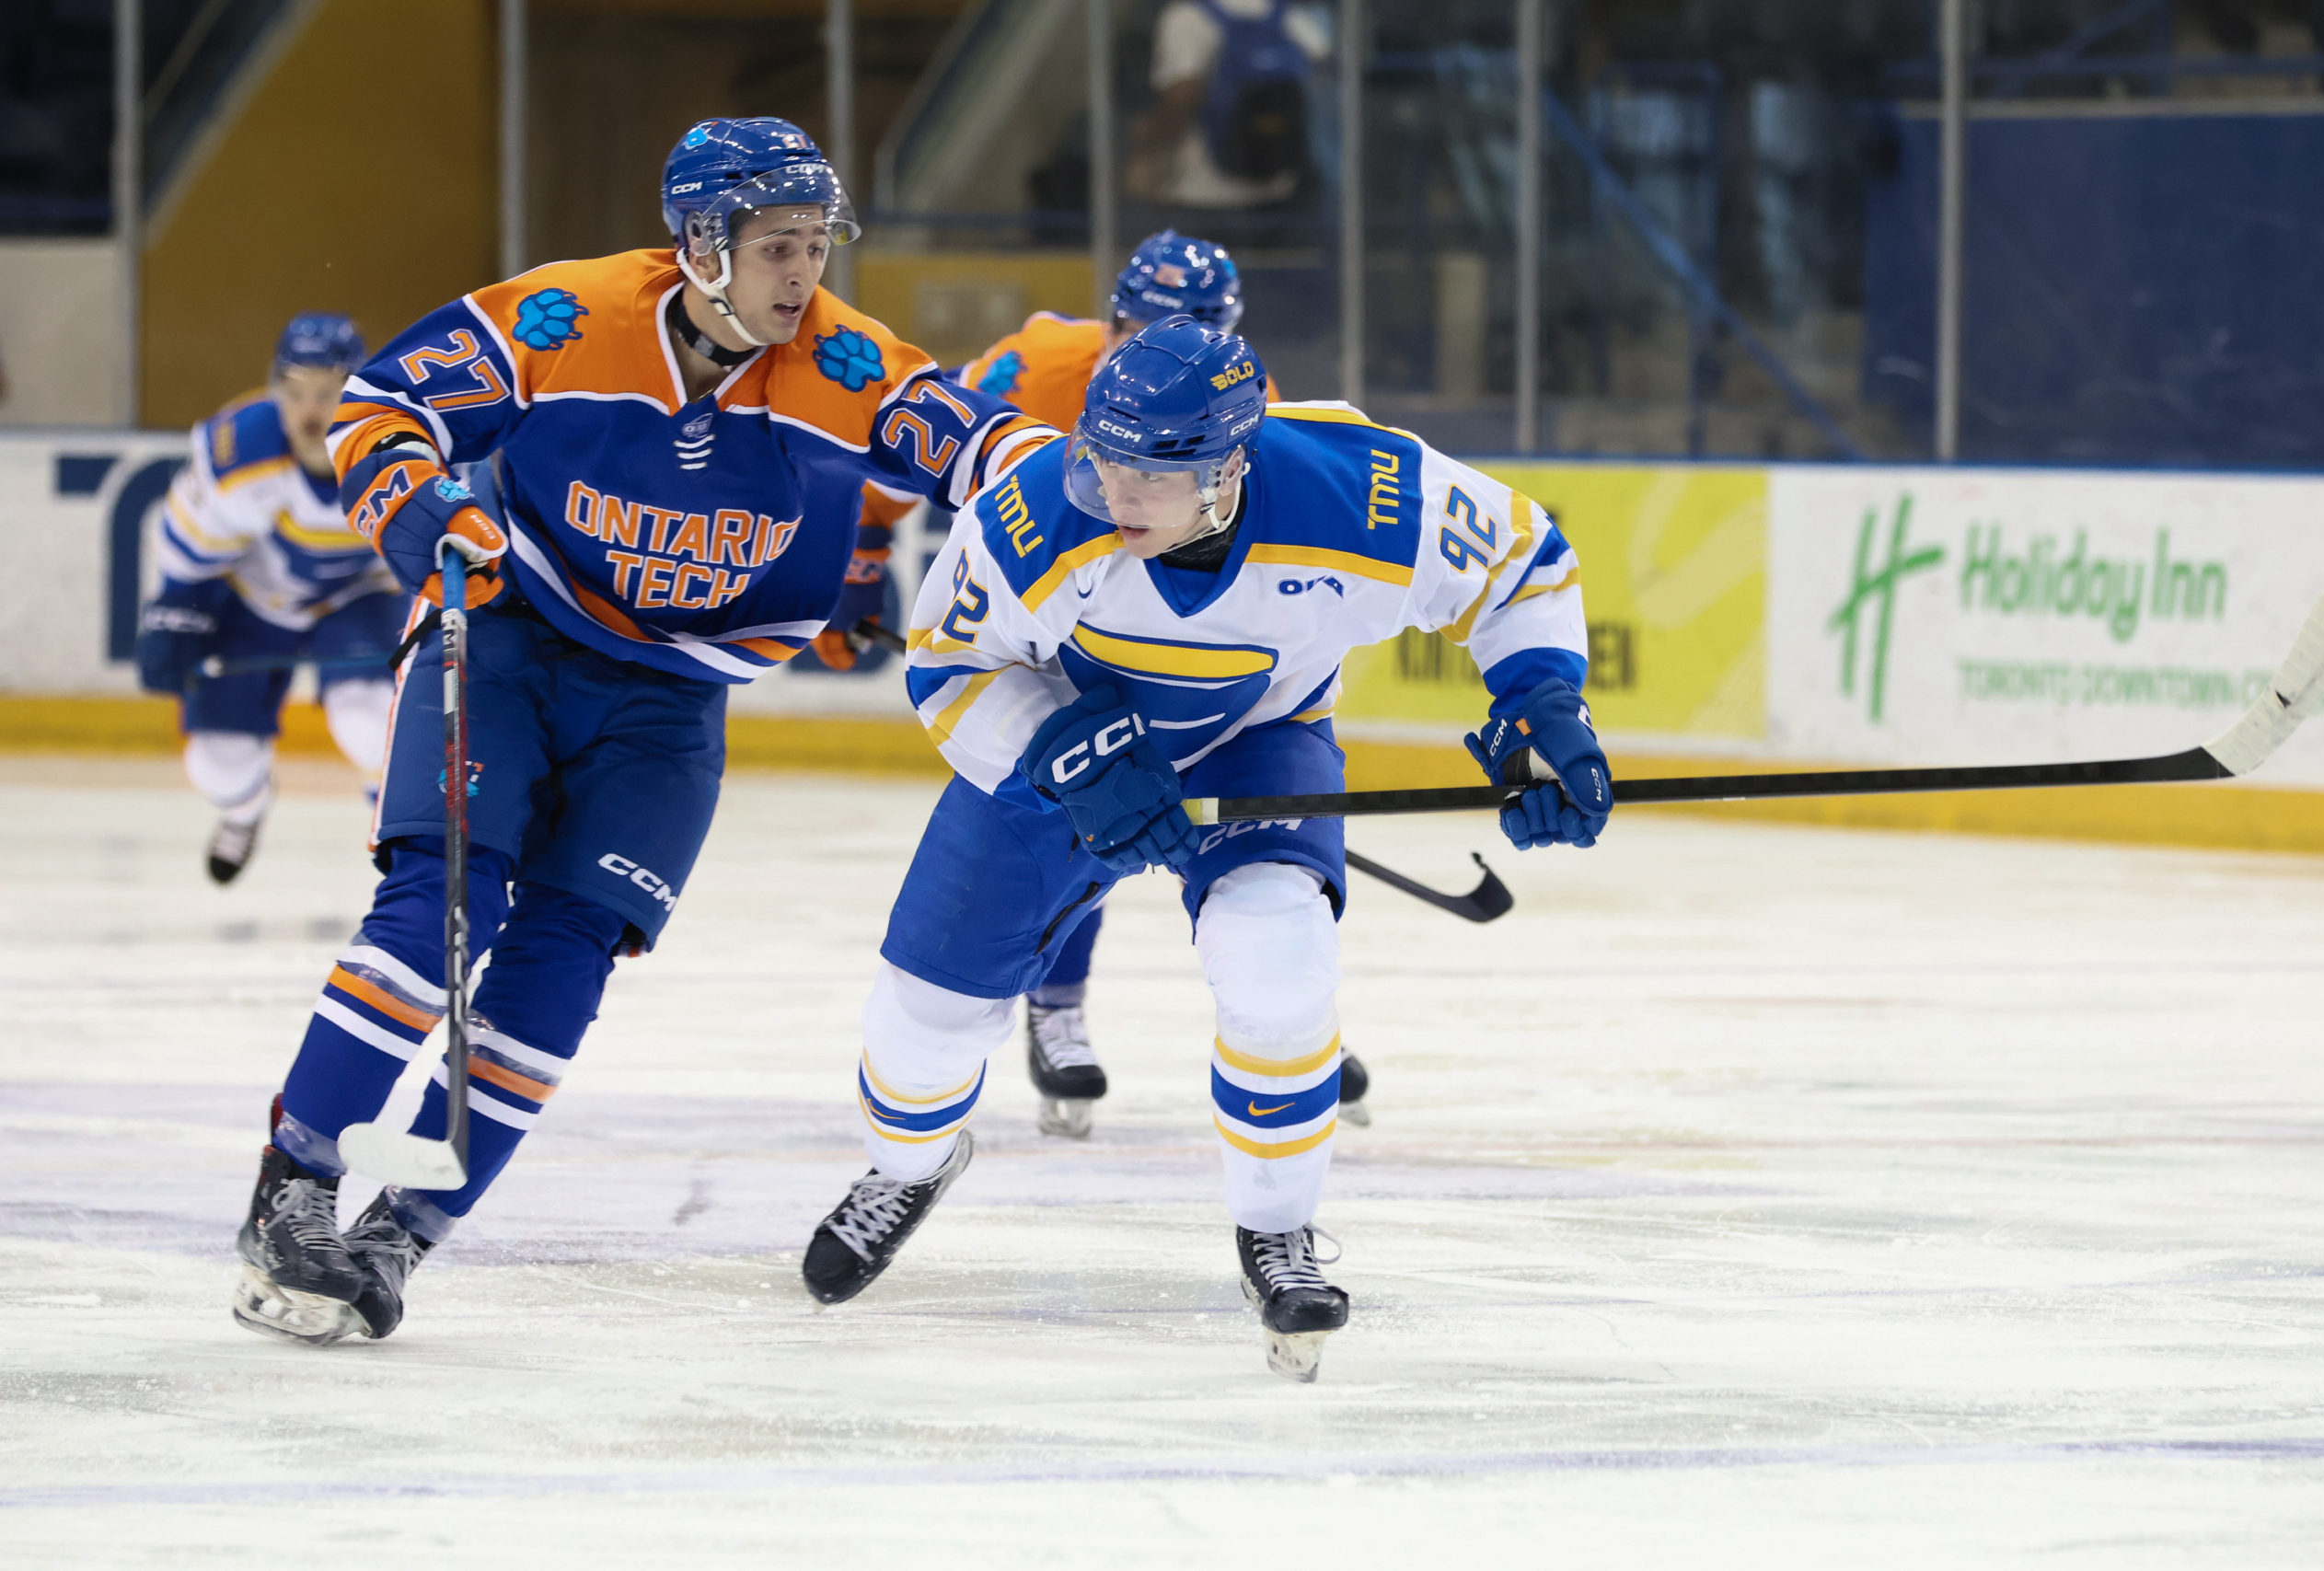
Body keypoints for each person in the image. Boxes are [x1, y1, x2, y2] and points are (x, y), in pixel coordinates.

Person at [226, 117, 1049, 1348]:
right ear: (701, 243)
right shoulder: (565, 319)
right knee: (437, 910)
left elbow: (1002, 455)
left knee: (561, 963)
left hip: (672, 702)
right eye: (776, 246)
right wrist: (423, 504)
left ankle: (403, 1235)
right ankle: (295, 1185)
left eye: (817, 245)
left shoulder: (852, 364)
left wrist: (1106, 553)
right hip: (511, 639)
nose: (802, 275)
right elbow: (383, 404)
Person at [799, 318, 1611, 1381]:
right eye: (1104, 456)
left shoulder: (1363, 491)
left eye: (1152, 472)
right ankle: (906, 1164)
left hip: (1259, 743)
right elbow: (946, 666)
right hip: (1063, 744)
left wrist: (1542, 702)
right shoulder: (1033, 511)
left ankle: (1276, 1228)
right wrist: (1058, 749)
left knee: (1278, 970)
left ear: (1229, 464)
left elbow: (1522, 565)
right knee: (923, 1021)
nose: (1116, 493)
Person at [952, 229, 1382, 1140]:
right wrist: (875, 548)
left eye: (1194, 325)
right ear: (1112, 318)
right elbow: (942, 449)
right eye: (1146, 323)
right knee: (1078, 812)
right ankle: (1056, 1006)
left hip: (1169, 649)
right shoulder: (1036, 362)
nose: (1164, 343)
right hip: (1050, 631)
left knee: (1259, 859)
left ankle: (1283, 1025)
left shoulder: (1237, 402)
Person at [134, 314, 400, 883]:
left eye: (327, 395)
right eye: (295, 392)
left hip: (360, 598)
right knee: (217, 764)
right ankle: (244, 810)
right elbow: (191, 548)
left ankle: (401, 828)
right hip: (255, 601)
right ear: (275, 388)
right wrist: (175, 611)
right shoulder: (240, 451)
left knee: (370, 721)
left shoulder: (400, 440)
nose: (309, 413)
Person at [1127, 0, 1329, 214]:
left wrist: (1150, 149)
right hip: (1281, 187)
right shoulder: (1291, 17)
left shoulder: (1187, 18)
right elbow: (1323, 82)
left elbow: (1182, 93)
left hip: (1203, 193)